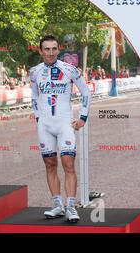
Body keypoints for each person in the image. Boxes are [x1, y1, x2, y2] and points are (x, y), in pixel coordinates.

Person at [30, 35, 92, 223]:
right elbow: (33, 97)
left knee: (69, 165)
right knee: (50, 165)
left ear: (59, 49)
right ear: (40, 51)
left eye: (54, 49)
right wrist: (39, 118)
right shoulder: (34, 72)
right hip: (45, 126)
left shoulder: (70, 69)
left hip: (65, 124)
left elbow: (86, 92)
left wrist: (82, 118)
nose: (50, 53)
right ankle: (58, 205)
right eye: (46, 49)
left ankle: (71, 207)